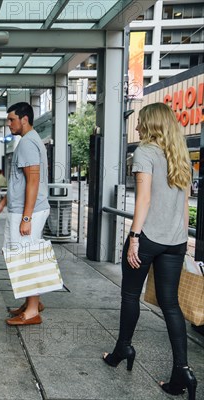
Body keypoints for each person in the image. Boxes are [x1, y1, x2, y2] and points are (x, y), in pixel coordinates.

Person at [102, 103, 197, 400]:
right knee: (171, 305)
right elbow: (184, 206)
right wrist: (183, 243)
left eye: (141, 121)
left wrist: (134, 237)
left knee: (130, 295)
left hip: (148, 238)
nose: (138, 126)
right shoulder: (181, 156)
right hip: (175, 241)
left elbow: (142, 200)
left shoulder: (144, 152)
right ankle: (182, 371)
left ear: (151, 124)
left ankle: (123, 348)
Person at [0, 102, 50, 326]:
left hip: (28, 212)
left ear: (24, 119)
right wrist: (2, 204)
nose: (8, 124)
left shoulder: (27, 143)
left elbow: (33, 182)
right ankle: (32, 302)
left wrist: (27, 218)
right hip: (26, 208)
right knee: (26, 255)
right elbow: (21, 182)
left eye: (11, 119)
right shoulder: (31, 141)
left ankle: (32, 311)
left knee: (25, 258)